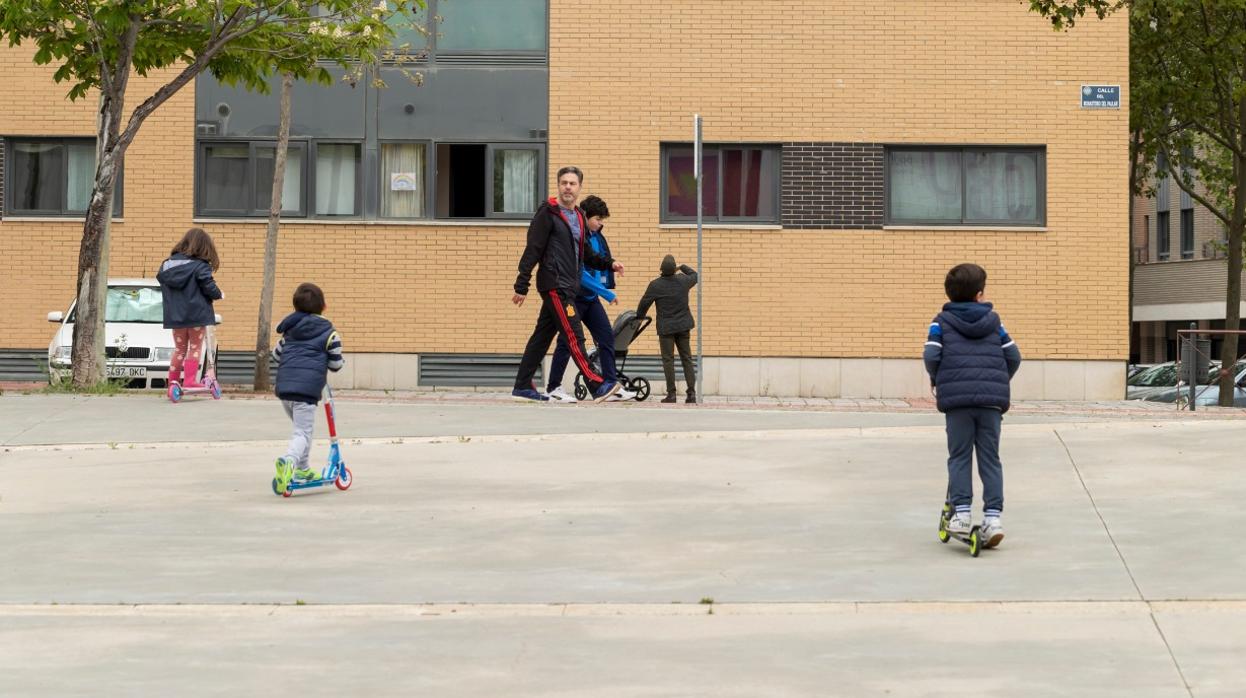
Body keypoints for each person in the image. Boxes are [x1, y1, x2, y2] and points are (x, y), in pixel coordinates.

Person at [923, 263, 1022, 548]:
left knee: (959, 457)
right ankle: (993, 519)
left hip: (958, 402)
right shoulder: (995, 322)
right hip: (991, 403)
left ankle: (962, 514)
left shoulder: (940, 321)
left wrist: (936, 378)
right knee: (990, 459)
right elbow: (1013, 356)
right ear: (980, 294)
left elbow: (931, 354)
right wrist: (999, 381)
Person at [512, 166, 627, 403]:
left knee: (541, 337)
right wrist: (521, 285)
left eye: (572, 184)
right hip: (555, 284)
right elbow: (533, 249)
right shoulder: (548, 213)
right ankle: (596, 384)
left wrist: (610, 263)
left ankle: (522, 386)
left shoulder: (578, 218)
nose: (568, 187)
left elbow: (585, 254)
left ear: (579, 188)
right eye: (564, 182)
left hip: (568, 285)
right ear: (558, 185)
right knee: (574, 335)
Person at [545, 195, 635, 403]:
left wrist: (610, 271)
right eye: (598, 219)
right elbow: (580, 273)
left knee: (606, 337)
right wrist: (607, 293)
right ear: (586, 216)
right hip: (574, 298)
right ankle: (553, 387)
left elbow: (599, 263)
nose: (601, 223)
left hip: (591, 299)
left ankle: (610, 385)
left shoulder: (596, 236)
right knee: (566, 342)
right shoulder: (576, 236)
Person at [272, 283, 345, 492]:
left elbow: (276, 356)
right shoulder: (329, 333)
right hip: (306, 391)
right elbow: (336, 365)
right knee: (303, 433)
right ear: (324, 306)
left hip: (285, 389)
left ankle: (302, 469)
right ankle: (289, 461)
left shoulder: (289, 331)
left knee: (301, 430)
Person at [157, 227, 224, 397]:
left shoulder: (167, 264)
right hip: (196, 315)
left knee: (179, 348)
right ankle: (189, 380)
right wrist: (218, 294)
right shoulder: (200, 266)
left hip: (176, 315)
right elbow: (208, 286)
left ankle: (172, 382)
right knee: (195, 347)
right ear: (204, 246)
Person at [636, 255, 698, 403]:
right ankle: (691, 393)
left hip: (666, 329)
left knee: (668, 360)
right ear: (674, 269)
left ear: (661, 270)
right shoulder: (683, 281)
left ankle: (671, 394)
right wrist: (682, 266)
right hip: (684, 327)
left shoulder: (656, 285)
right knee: (687, 359)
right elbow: (695, 275)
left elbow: (644, 303)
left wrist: (639, 317)